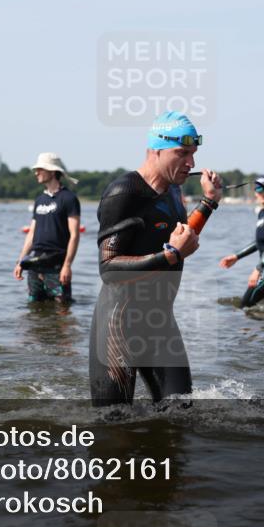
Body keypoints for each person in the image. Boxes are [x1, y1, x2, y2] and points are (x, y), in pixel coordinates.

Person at [89, 111, 223, 406]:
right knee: (114, 428)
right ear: (156, 149)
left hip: (161, 321)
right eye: (182, 153)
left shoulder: (174, 191)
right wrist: (171, 255)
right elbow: (108, 268)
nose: (192, 163)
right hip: (119, 325)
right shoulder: (124, 192)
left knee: (180, 415)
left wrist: (209, 203)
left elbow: (181, 237)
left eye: (194, 154)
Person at [14, 153, 81, 305]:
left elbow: (75, 235)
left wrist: (67, 265)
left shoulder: (69, 199)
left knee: (62, 307)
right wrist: (20, 261)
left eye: (40, 169)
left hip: (56, 264)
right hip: (35, 263)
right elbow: (31, 233)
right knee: (34, 306)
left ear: (52, 171)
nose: (36, 172)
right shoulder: (39, 200)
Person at [219, 175, 264, 307]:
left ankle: (243, 328)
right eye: (260, 190)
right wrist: (237, 256)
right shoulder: (263, 213)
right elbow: (259, 242)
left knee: (245, 305)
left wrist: (258, 269)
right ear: (255, 192)